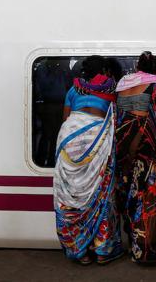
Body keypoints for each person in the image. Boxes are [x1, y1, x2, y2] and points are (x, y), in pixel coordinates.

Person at [53, 55, 123, 265]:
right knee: (101, 191)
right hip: (97, 135)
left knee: (71, 192)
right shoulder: (110, 88)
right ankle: (102, 250)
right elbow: (115, 116)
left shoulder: (73, 90)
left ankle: (79, 251)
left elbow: (66, 118)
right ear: (104, 70)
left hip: (69, 135)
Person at [115, 51, 156, 263]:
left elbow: (118, 113)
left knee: (126, 189)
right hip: (144, 141)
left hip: (122, 139)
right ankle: (145, 250)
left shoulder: (123, 83)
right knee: (145, 194)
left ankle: (130, 240)